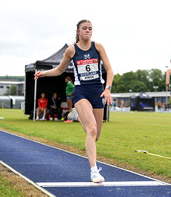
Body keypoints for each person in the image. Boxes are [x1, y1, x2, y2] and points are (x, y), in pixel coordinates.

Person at [34, 19, 114, 183]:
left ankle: (76, 116)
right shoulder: (72, 50)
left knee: (96, 136)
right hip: (81, 92)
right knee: (91, 130)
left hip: (98, 92)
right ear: (78, 31)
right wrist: (44, 73)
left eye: (90, 29)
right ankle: (94, 172)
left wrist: (108, 89)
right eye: (84, 28)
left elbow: (110, 70)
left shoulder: (98, 47)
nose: (88, 31)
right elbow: (60, 70)